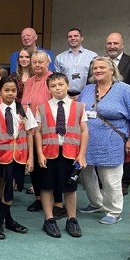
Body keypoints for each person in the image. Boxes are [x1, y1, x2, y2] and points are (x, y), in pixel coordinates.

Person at [77, 57, 130, 225]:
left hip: (112, 141)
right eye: (95, 68)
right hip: (87, 143)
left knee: (110, 178)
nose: (97, 70)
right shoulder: (88, 89)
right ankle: (95, 203)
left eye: (102, 67)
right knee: (86, 175)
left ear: (112, 70)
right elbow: (79, 109)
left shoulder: (124, 89)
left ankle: (113, 211)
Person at [35, 73, 88, 238]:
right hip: (49, 153)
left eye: (60, 84)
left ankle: (72, 219)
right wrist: (39, 153)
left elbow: (84, 131)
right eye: (53, 86)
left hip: (70, 154)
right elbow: (37, 132)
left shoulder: (79, 107)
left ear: (68, 85)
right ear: (49, 89)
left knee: (70, 187)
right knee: (47, 186)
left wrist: (82, 155)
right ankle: (49, 219)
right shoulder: (41, 108)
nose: (57, 88)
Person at [0, 77, 37, 239]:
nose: (10, 93)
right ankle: (8, 220)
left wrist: (30, 158)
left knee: (10, 187)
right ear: (0, 91)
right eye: (6, 90)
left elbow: (29, 133)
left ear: (17, 92)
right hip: (1, 156)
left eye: (13, 90)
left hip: (19, 156)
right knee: (2, 187)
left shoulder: (24, 109)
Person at [105, 32, 130, 195]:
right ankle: (103, 181)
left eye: (115, 43)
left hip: (124, 116)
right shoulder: (100, 63)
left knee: (124, 147)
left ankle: (124, 182)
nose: (112, 47)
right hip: (103, 115)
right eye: (109, 44)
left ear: (122, 44)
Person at [21, 50, 55, 214]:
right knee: (33, 166)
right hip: (30, 130)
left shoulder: (52, 79)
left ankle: (57, 202)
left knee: (48, 167)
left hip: (48, 131)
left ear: (48, 63)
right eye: (34, 62)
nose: (37, 65)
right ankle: (38, 199)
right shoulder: (28, 81)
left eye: (41, 62)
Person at [54, 29, 97, 97]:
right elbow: (57, 79)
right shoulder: (59, 57)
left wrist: (83, 95)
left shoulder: (92, 56)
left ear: (82, 38)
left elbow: (96, 77)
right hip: (66, 96)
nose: (73, 38)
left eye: (76, 36)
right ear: (67, 39)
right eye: (70, 37)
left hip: (87, 95)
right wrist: (65, 95)